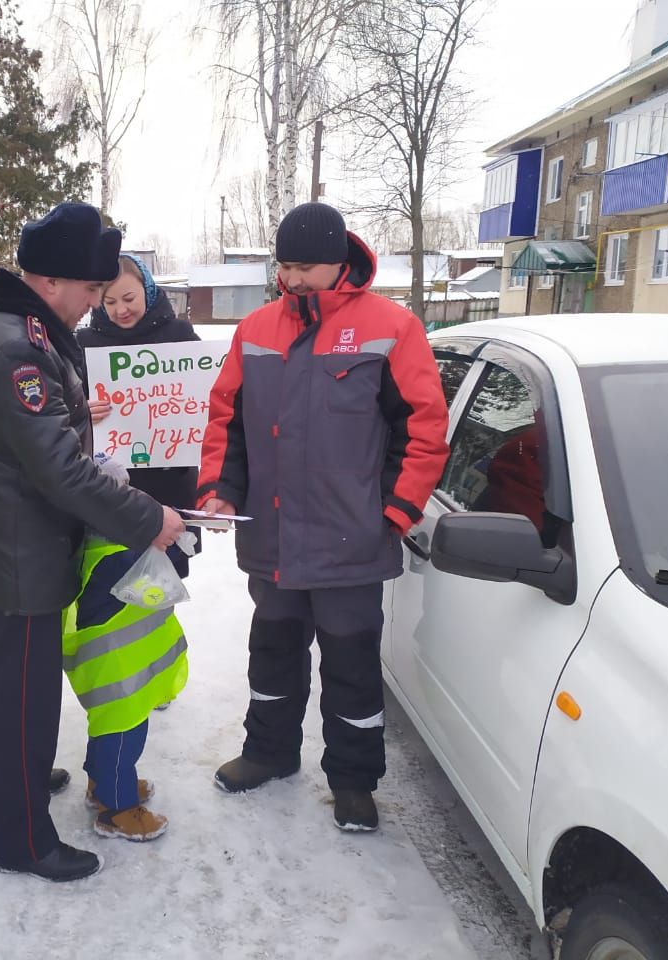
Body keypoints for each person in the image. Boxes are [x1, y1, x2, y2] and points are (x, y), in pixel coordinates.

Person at [0, 201, 186, 883]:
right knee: (24, 705)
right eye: (89, 289)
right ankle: (24, 841)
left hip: (13, 547)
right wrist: (149, 517)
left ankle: (13, 789)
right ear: (54, 280)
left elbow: (28, 437)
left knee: (9, 697)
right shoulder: (16, 343)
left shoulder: (16, 329)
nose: (92, 304)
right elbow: (57, 468)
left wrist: (80, 412)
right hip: (21, 558)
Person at [199, 202, 449, 832]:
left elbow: (422, 426)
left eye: (305, 266)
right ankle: (269, 753)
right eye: (285, 266)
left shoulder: (392, 327)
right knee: (273, 651)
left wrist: (396, 509)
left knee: (351, 667)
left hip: (350, 542)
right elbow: (226, 419)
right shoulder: (255, 330)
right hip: (275, 540)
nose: (294, 278)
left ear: (340, 261)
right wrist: (222, 490)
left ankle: (354, 781)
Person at [66, 453, 188, 842]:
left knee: (110, 735)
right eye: (125, 493)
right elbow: (158, 580)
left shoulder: (100, 544)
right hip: (117, 674)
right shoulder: (117, 555)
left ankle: (100, 784)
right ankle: (116, 810)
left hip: (121, 670)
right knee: (122, 737)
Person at [79, 254, 202, 578]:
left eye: (129, 298)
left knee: (163, 590)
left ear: (147, 290)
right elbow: (61, 407)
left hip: (169, 486)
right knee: (108, 589)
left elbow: (207, 396)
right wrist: (82, 412)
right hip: (109, 491)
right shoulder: (86, 345)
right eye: (110, 301)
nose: (121, 309)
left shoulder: (180, 335)